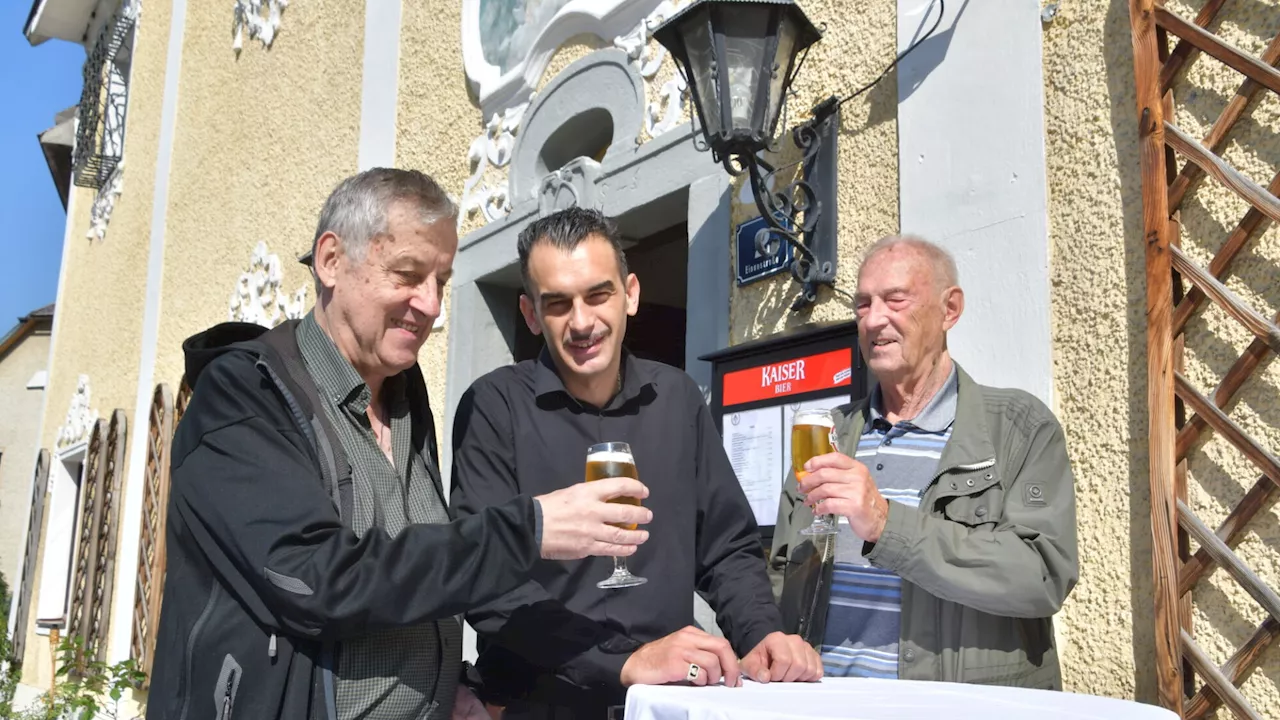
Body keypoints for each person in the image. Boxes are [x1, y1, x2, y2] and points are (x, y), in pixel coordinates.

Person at [147, 170, 652, 720]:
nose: (431, 304)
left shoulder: (405, 399)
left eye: (441, 280)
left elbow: (412, 577)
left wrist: (448, 686)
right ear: (331, 260)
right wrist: (526, 531)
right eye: (408, 275)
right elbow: (317, 578)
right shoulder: (243, 394)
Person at [450, 207, 821, 719]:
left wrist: (761, 633)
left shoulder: (678, 398)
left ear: (631, 294)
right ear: (531, 314)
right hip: (535, 705)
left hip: (665, 703)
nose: (581, 322)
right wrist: (620, 661)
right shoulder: (494, 406)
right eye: (558, 304)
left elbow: (726, 547)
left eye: (598, 295)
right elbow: (484, 577)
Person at [771, 235, 1078, 689]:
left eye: (895, 300)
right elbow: (782, 571)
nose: (875, 320)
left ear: (949, 309)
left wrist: (885, 523)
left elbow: (1042, 575)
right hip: (826, 704)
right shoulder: (831, 432)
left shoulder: (1018, 426)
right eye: (862, 304)